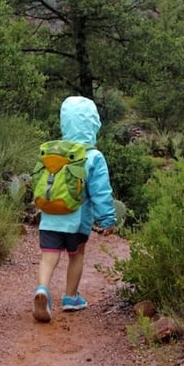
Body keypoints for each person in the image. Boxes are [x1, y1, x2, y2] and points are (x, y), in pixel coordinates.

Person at [32, 95, 117, 323]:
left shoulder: (53, 152)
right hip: (77, 220)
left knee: (48, 257)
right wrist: (107, 219)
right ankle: (70, 298)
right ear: (93, 124)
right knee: (76, 255)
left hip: (50, 216)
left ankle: (42, 289)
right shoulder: (93, 156)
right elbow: (100, 192)